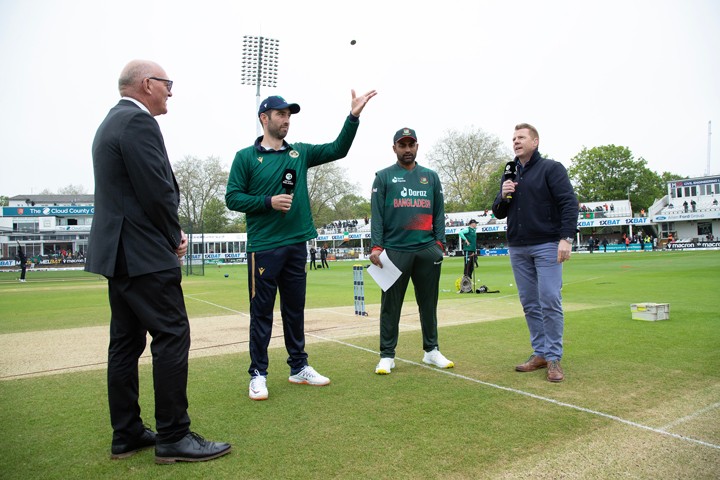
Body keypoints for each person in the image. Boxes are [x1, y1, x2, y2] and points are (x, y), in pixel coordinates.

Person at [86, 60, 231, 463]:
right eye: (168, 85)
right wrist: (174, 237)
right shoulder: (138, 123)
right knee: (171, 336)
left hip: (120, 256)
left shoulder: (109, 124)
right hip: (144, 254)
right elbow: (158, 191)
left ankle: (127, 433)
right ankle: (173, 436)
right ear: (147, 84)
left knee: (126, 344)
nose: (170, 92)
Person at [226, 90, 376, 400]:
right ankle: (258, 373)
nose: (286, 120)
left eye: (289, 115)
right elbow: (232, 198)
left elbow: (338, 149)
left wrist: (353, 117)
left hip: (296, 245)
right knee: (262, 314)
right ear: (264, 118)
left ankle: (298, 367)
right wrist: (268, 201)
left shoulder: (300, 152)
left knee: (294, 311)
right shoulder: (245, 157)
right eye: (281, 114)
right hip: (264, 246)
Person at [491, 123, 578, 383]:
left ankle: (553, 358)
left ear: (535, 142)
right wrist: (502, 194)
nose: (516, 142)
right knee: (529, 303)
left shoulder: (551, 168)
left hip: (547, 245)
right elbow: (498, 212)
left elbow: (568, 203)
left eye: (521, 137)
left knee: (549, 299)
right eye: (514, 138)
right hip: (518, 246)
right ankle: (539, 353)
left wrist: (566, 238)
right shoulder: (510, 173)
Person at [369, 127, 453, 375]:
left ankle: (431, 350)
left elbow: (438, 212)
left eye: (411, 145)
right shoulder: (383, 177)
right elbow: (377, 215)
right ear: (394, 148)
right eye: (402, 145)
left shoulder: (430, 176)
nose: (407, 150)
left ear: (417, 146)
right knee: (390, 306)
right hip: (395, 250)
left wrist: (439, 244)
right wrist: (376, 246)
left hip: (426, 249)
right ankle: (387, 355)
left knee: (428, 303)